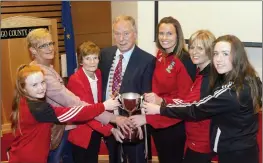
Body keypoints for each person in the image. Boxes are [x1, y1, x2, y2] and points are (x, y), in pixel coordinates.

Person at [143, 35, 262, 163]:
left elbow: (196, 109)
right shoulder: (247, 79)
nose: (219, 59)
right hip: (242, 149)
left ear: (237, 57)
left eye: (225, 54)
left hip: (233, 152)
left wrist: (160, 109)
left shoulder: (231, 91)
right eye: (216, 54)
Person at [27, 28, 131, 163]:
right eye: (43, 45)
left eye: (50, 43)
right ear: (33, 50)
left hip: (67, 127)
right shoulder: (42, 73)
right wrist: (112, 118)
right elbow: (76, 104)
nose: (50, 48)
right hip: (54, 131)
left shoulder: (47, 67)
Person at [8, 64, 120, 163]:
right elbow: (72, 113)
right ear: (24, 89)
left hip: (24, 155)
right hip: (29, 158)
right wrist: (103, 106)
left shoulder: (25, 100)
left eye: (42, 82)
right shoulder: (38, 108)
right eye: (34, 85)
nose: (41, 88)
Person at [129, 16, 196, 163]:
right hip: (158, 123)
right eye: (161, 33)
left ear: (178, 35)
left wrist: (162, 101)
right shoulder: (160, 55)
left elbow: (187, 102)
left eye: (169, 33)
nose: (164, 38)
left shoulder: (185, 61)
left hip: (173, 125)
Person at [99, 15, 156, 163]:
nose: (121, 38)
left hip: (132, 124)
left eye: (126, 33)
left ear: (135, 34)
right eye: (117, 33)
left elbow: (146, 96)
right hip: (109, 120)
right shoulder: (105, 55)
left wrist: (141, 126)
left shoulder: (147, 60)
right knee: (114, 158)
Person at [66, 41, 125, 163]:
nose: (92, 62)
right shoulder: (76, 80)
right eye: (88, 58)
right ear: (81, 61)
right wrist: (111, 129)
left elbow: (97, 103)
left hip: (95, 131)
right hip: (82, 133)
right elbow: (86, 113)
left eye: (95, 58)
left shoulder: (98, 74)